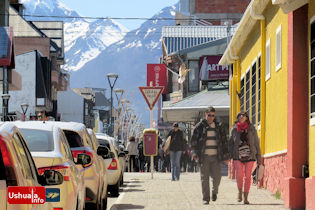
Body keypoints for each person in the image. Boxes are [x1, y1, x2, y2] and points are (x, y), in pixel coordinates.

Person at [191, 106, 229, 205]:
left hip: (216, 156)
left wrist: (226, 156)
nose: (211, 117)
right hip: (204, 157)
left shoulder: (219, 126)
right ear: (205, 115)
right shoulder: (199, 127)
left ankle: (214, 191)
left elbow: (224, 142)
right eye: (209, 115)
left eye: (213, 115)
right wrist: (194, 154)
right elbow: (193, 142)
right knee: (204, 178)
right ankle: (205, 198)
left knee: (217, 177)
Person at [229, 111, 262, 204]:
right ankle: (239, 192)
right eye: (239, 115)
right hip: (237, 156)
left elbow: (256, 143)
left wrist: (259, 159)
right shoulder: (234, 129)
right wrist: (229, 155)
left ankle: (246, 197)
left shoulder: (251, 129)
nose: (241, 116)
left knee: (248, 177)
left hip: (250, 155)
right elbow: (231, 143)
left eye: (243, 115)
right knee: (239, 175)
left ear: (247, 118)